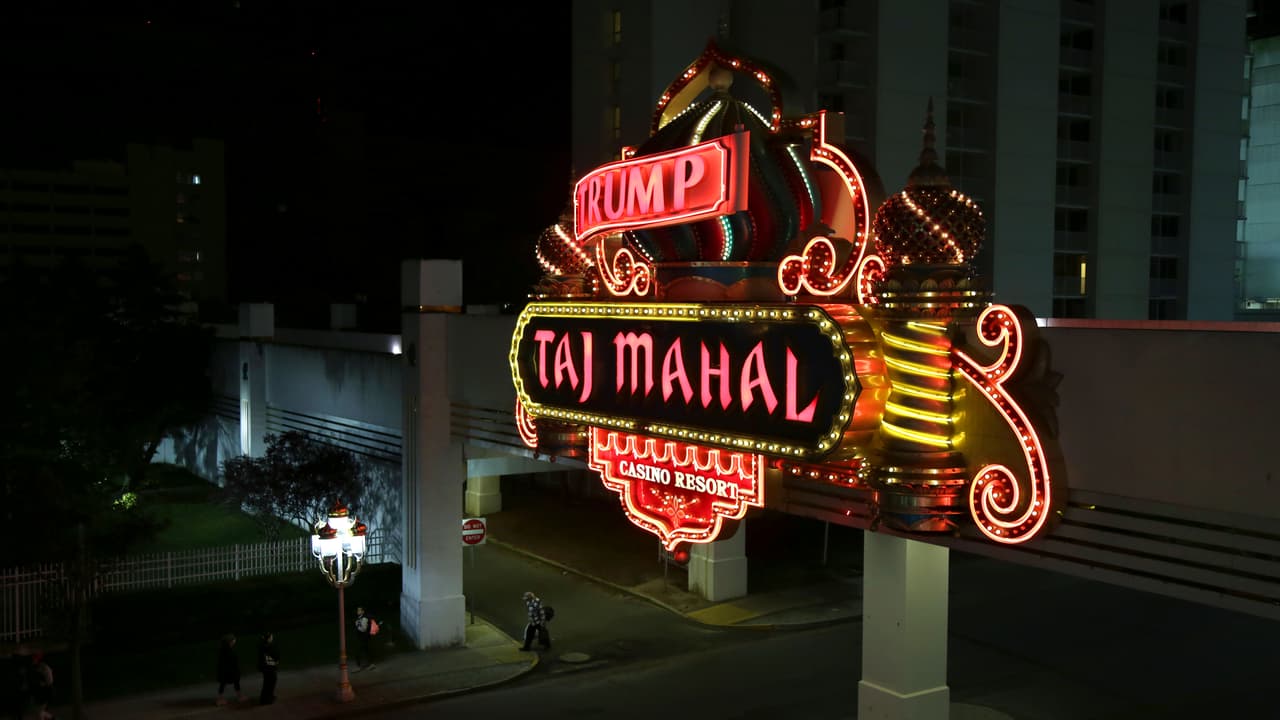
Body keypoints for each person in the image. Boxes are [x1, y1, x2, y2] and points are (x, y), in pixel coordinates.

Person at [215, 634, 246, 705]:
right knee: (224, 683)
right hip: (228, 670)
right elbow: (230, 660)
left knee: (233, 682)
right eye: (233, 640)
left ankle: (239, 696)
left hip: (227, 670)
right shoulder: (226, 650)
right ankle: (220, 699)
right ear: (230, 641)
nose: (235, 641)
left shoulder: (225, 649)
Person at [256, 632, 279, 705]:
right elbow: (274, 656)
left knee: (268, 682)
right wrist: (276, 660)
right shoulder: (268, 646)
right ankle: (266, 700)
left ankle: (268, 697)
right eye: (271, 637)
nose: (272, 638)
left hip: (265, 667)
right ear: (268, 639)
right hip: (269, 667)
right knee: (270, 682)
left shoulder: (262, 646)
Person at [29, 653, 53, 720]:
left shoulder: (43, 668)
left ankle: (50, 717)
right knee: (39, 711)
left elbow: (49, 681)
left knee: (39, 712)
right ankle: (51, 718)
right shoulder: (38, 667)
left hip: (43, 692)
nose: (33, 660)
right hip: (41, 692)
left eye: (35, 658)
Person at [353, 606, 376, 671]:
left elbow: (363, 629)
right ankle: (371, 664)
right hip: (363, 637)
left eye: (359, 610)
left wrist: (357, 626)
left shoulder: (364, 619)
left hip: (364, 637)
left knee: (358, 651)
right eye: (357, 610)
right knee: (367, 650)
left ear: (363, 611)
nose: (358, 611)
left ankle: (358, 666)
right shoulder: (359, 619)